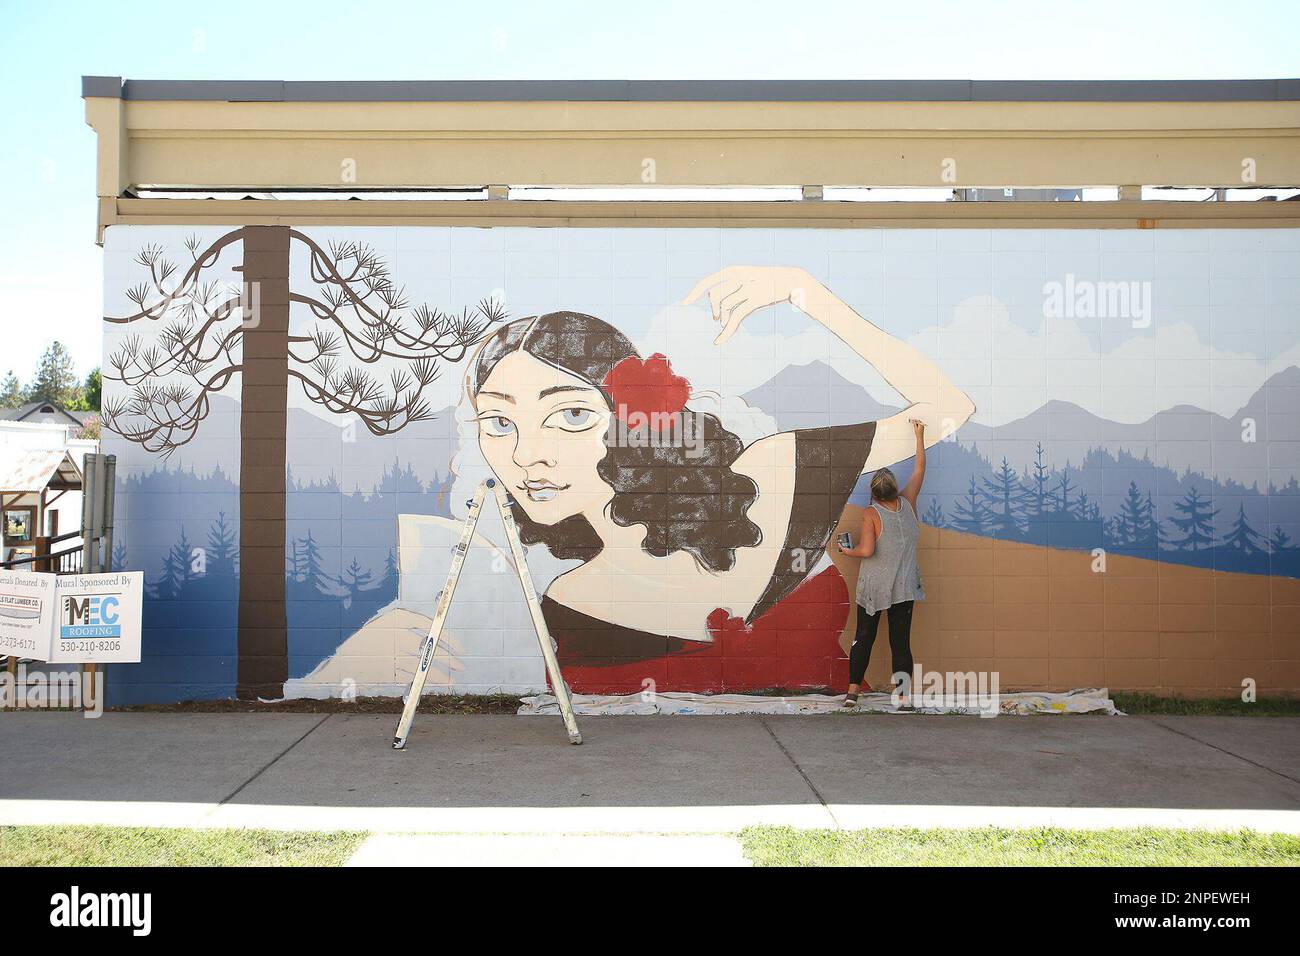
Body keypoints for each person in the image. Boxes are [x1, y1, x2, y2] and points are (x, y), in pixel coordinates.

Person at [465, 265, 973, 693]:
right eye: (498, 422)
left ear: (633, 418)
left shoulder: (775, 476)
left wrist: (808, 293)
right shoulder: (568, 601)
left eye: (570, 415)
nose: (528, 454)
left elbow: (949, 407)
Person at [838, 419, 928, 708]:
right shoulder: (908, 503)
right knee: (900, 643)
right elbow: (919, 469)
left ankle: (852, 693)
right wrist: (919, 434)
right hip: (904, 587)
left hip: (876, 587)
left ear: (874, 493)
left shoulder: (871, 514)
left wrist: (845, 550)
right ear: (894, 489)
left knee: (864, 637)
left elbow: (865, 550)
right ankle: (902, 698)